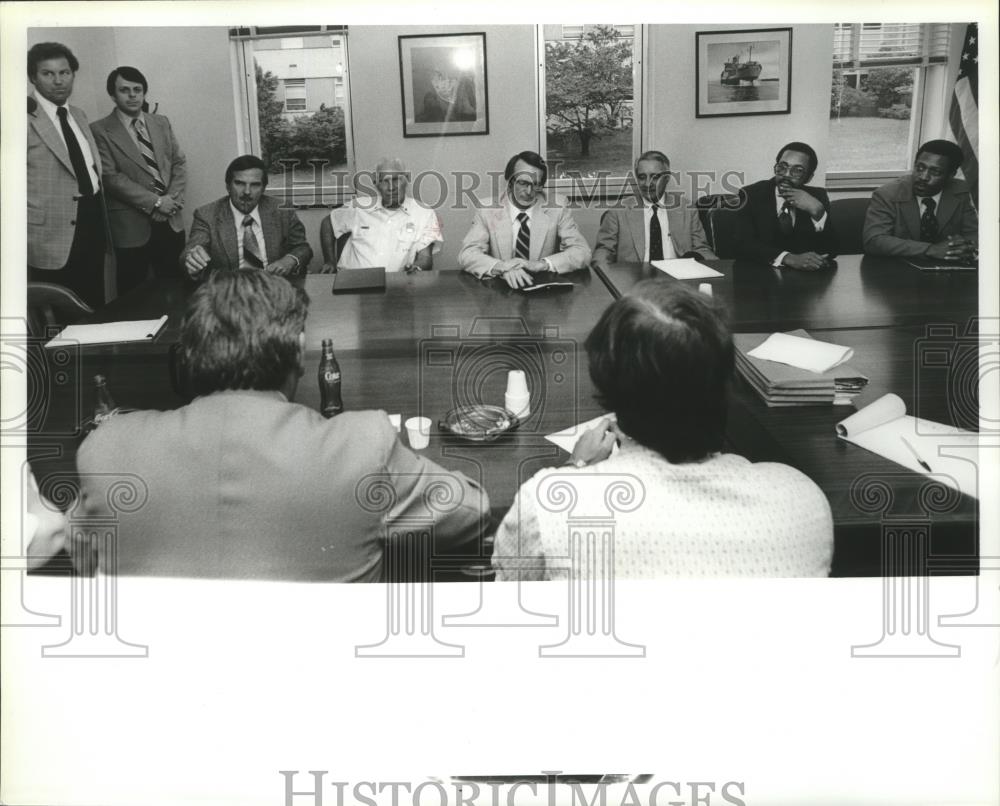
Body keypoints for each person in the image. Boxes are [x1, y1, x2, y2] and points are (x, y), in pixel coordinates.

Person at [74, 270, 489, 581]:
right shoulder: (363, 446)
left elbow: (83, 556)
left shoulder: (106, 449)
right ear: (298, 355)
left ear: (187, 361)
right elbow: (472, 511)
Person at [492, 280, 834, 580]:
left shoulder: (547, 507)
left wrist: (574, 470)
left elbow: (510, 611)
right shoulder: (802, 498)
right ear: (726, 383)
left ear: (609, 390)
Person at [27, 42, 110, 308]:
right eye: (48, 74)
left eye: (64, 72)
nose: (58, 80)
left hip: (92, 218)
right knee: (58, 311)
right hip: (50, 234)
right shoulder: (20, 119)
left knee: (92, 301)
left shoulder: (78, 114)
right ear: (33, 77)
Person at [91, 66, 187, 295]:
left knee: (176, 287)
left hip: (170, 220)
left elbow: (178, 163)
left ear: (144, 93)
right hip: (131, 229)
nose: (132, 95)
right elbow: (110, 177)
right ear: (113, 95)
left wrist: (169, 201)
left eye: (137, 89)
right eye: (125, 90)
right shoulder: (99, 130)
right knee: (134, 294)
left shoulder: (161, 122)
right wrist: (155, 202)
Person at [458, 150, 591, 288]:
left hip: (543, 294)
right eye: (522, 183)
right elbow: (467, 254)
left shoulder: (557, 206)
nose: (529, 191)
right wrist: (503, 267)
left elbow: (582, 252)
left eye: (536, 184)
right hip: (501, 291)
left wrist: (542, 264)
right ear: (509, 182)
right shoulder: (487, 209)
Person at [181, 155, 312, 279]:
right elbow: (193, 249)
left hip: (273, 288)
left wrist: (289, 260)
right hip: (229, 292)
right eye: (239, 183)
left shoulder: (282, 210)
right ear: (228, 186)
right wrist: (193, 259)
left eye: (255, 185)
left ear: (263, 188)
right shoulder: (206, 215)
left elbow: (303, 248)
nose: (247, 192)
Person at [591, 150, 716, 269]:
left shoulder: (686, 209)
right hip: (634, 283)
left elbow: (701, 249)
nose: (647, 183)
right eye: (642, 177)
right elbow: (603, 251)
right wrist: (603, 277)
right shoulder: (618, 212)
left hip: (679, 282)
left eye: (655, 177)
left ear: (667, 178)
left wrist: (720, 269)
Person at [320, 157, 442, 273]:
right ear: (376, 184)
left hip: (397, 285)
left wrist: (417, 268)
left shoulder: (423, 213)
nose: (391, 188)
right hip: (353, 283)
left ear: (406, 180)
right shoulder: (358, 207)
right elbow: (328, 223)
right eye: (385, 181)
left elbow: (425, 258)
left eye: (396, 180)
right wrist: (329, 261)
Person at [863, 139, 978, 260]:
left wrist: (963, 247)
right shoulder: (887, 194)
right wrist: (930, 250)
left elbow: (974, 236)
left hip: (946, 269)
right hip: (897, 268)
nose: (923, 177)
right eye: (920, 168)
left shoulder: (961, 191)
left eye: (935, 172)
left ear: (951, 175)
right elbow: (873, 241)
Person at [733, 141, 838, 270]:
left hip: (804, 282)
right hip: (761, 277)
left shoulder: (817, 196)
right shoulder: (751, 194)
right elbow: (742, 245)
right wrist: (788, 258)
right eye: (782, 167)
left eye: (797, 171)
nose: (787, 175)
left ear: (809, 177)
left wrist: (818, 213)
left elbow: (831, 251)